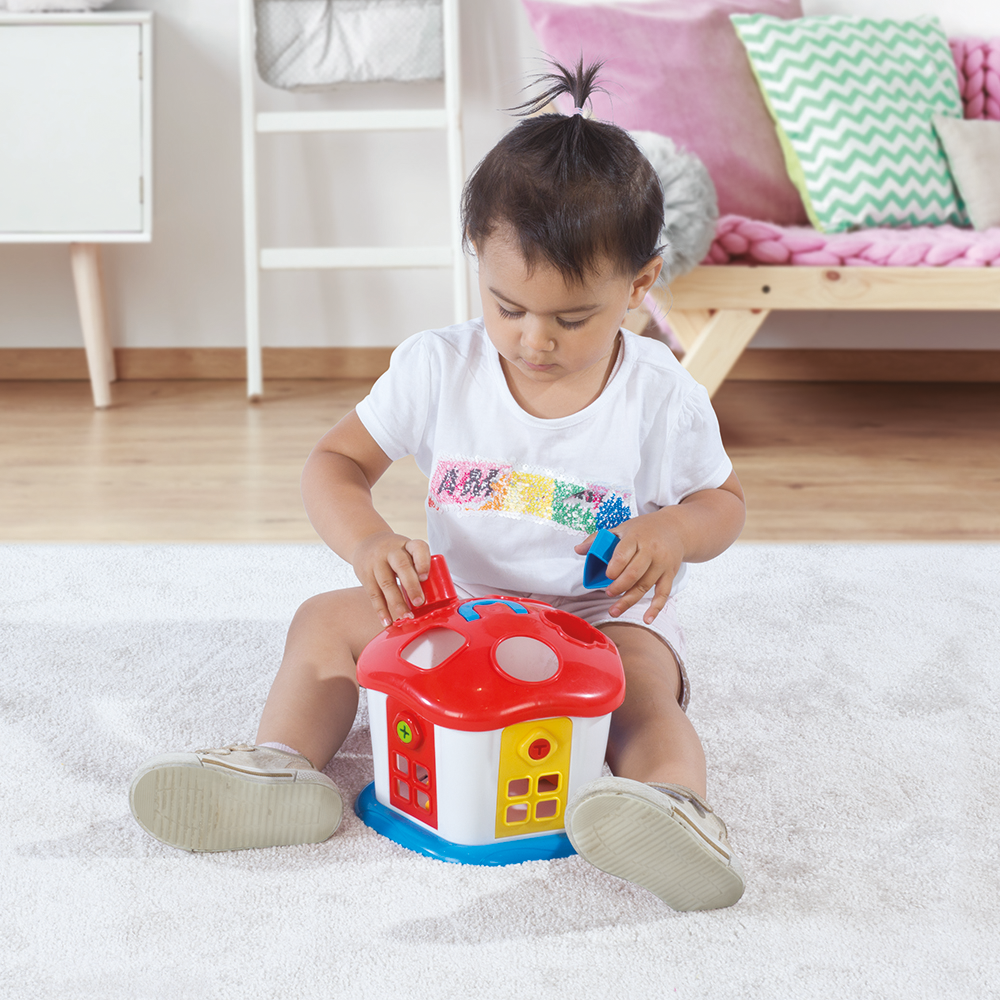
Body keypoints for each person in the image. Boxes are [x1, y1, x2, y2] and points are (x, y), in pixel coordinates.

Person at [129, 60, 747, 912]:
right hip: (449, 607)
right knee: (321, 624)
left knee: (643, 681)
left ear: (640, 285)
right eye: (507, 307)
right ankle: (278, 768)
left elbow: (724, 501)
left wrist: (675, 532)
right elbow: (333, 465)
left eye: (572, 319)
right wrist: (369, 543)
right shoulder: (437, 368)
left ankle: (674, 808)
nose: (534, 340)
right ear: (477, 265)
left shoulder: (659, 392)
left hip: (594, 621)